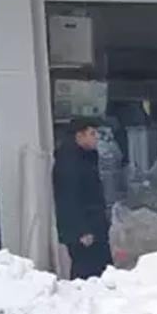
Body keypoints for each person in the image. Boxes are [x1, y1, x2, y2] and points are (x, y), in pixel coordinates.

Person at [53, 118, 112, 279]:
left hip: (94, 223)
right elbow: (68, 198)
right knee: (86, 269)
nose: (96, 138)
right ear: (79, 135)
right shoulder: (69, 162)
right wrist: (82, 230)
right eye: (92, 133)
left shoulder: (86, 156)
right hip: (84, 227)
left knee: (100, 267)